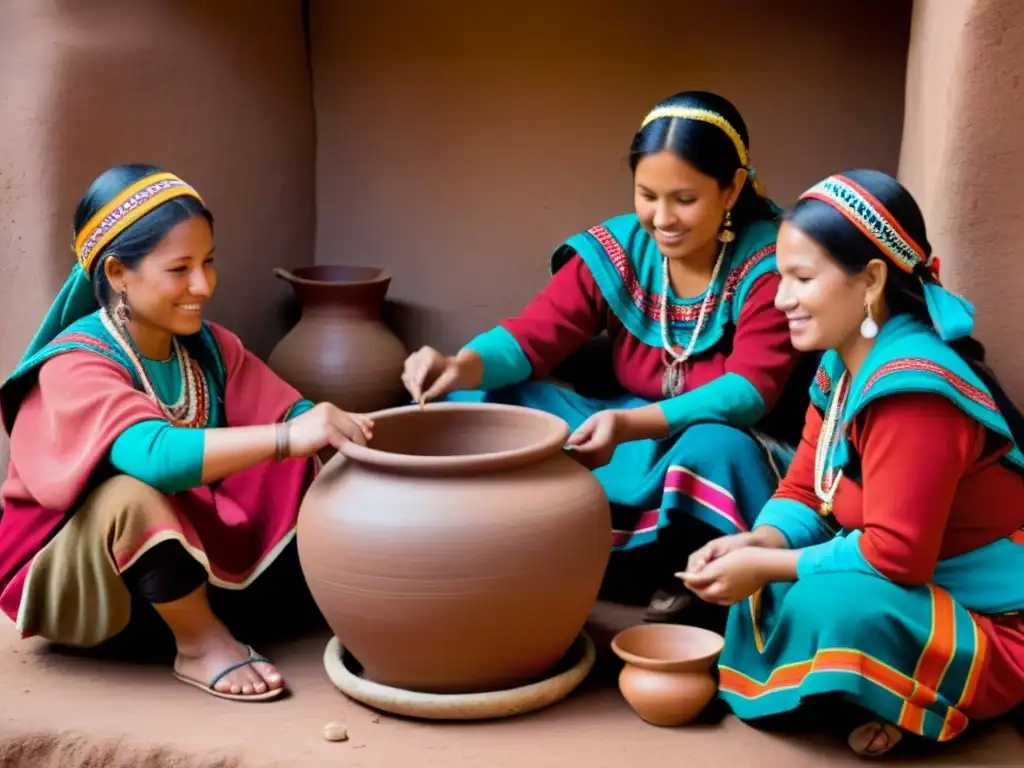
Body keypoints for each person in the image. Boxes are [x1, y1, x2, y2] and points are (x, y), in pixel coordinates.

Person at [403, 91, 805, 621]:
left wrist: (629, 425)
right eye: (647, 195)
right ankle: (534, 548)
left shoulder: (771, 260)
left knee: (718, 447)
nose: (662, 218)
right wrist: (460, 365)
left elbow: (749, 392)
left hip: (712, 439)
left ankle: (681, 574)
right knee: (478, 397)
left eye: (685, 199)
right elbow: (532, 336)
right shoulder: (617, 249)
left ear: (731, 187)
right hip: (619, 431)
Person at [679, 169, 1024, 756]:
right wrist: (758, 540)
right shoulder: (843, 366)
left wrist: (768, 564)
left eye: (801, 279)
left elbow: (896, 555)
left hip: (995, 619)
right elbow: (806, 489)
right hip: (910, 588)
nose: (780, 298)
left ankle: (933, 701)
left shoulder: (913, 396)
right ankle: (885, 694)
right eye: (779, 277)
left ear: (870, 280)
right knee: (775, 586)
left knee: (830, 602)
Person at [0, 164, 373, 702]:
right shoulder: (74, 364)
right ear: (118, 272)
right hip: (91, 588)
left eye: (208, 262)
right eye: (180, 268)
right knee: (132, 495)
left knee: (314, 458)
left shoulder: (206, 347)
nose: (203, 285)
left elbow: (292, 413)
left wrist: (333, 430)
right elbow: (155, 457)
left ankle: (346, 605)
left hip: (180, 561)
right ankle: (199, 642)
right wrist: (289, 437)